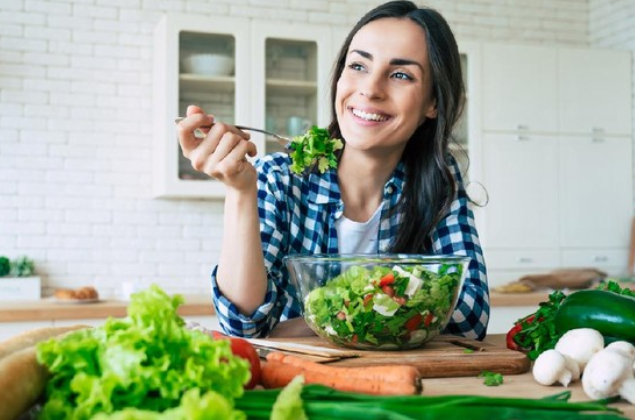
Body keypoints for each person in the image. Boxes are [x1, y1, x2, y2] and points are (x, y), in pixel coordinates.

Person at [176, 0, 490, 340]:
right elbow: (245, 325)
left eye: (401, 74)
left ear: (433, 103)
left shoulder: (440, 183)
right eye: (358, 66)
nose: (370, 89)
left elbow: (469, 317)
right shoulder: (279, 178)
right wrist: (239, 191)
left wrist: (313, 322)